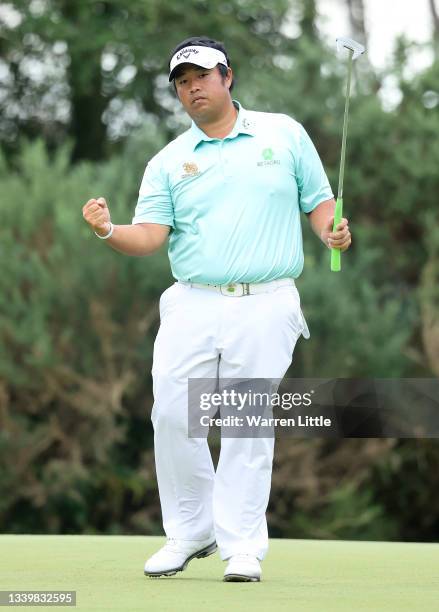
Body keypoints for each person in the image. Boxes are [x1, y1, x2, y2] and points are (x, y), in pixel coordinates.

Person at [82, 35, 351, 582]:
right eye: (182, 82)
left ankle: (243, 545)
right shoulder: (169, 161)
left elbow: (319, 201)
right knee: (172, 415)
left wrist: (331, 232)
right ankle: (191, 530)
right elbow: (150, 237)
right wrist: (108, 230)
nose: (192, 88)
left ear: (227, 77)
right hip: (192, 303)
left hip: (267, 300)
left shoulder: (285, 133)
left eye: (201, 76)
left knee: (246, 424)